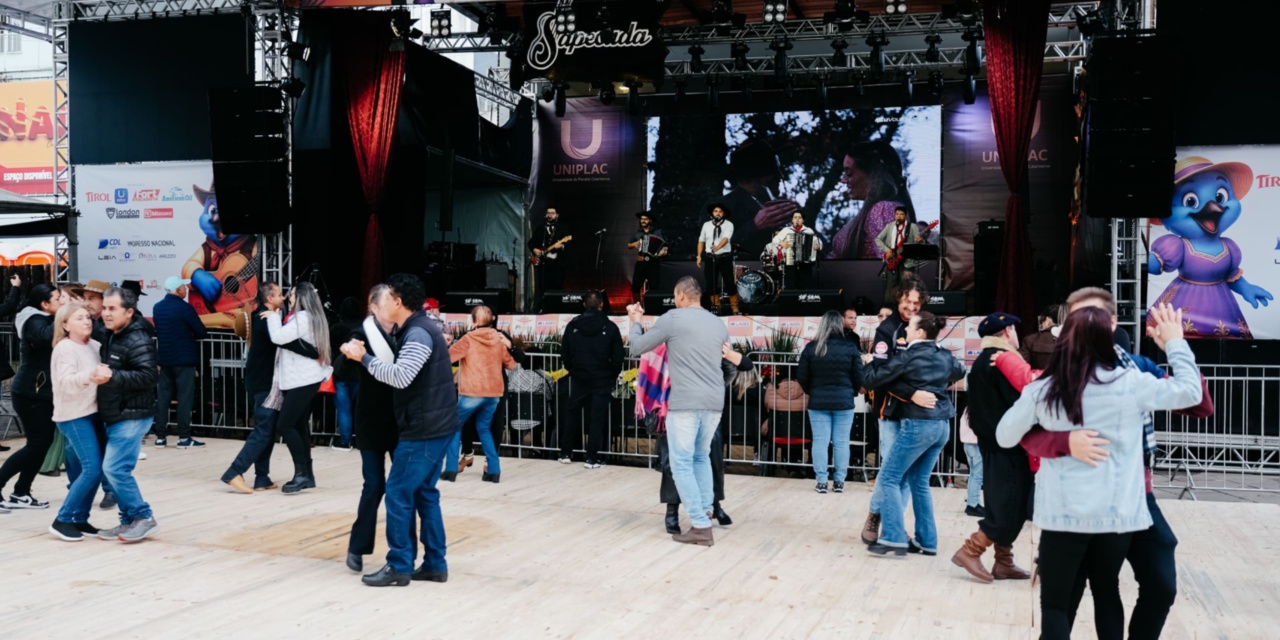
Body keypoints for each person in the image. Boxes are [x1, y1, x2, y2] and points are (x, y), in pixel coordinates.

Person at [996, 303, 1201, 640]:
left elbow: (1005, 436)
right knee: (1107, 592)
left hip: (1062, 515)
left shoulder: (1044, 389)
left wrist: (1057, 439)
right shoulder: (1132, 383)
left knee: (1056, 607)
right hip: (1116, 516)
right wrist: (1176, 343)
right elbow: (1192, 393)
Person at [341, 273, 455, 587]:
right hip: (435, 425)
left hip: (424, 428)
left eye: (387, 296)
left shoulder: (417, 332)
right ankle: (434, 563)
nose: (382, 301)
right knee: (425, 495)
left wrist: (361, 357)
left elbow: (401, 376)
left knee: (397, 492)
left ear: (398, 302)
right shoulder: (420, 328)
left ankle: (399, 565)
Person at [627, 277, 728, 546]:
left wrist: (635, 321)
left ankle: (700, 524)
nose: (674, 300)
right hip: (715, 401)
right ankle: (706, 509)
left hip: (685, 402)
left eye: (674, 296)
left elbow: (638, 348)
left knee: (681, 463)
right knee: (700, 457)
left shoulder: (673, 318)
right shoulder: (718, 323)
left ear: (681, 295)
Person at [862, 311, 966, 556]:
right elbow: (959, 372)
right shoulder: (944, 355)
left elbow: (873, 380)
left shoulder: (907, 357)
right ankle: (926, 541)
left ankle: (894, 536)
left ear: (920, 332)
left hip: (918, 425)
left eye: (909, 327)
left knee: (888, 479)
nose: (905, 330)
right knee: (919, 483)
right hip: (942, 425)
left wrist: (867, 363)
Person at [950, 312, 1033, 583]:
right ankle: (970, 550)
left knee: (1007, 499)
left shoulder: (982, 361)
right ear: (1008, 331)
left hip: (993, 442)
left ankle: (1003, 561)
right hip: (1009, 444)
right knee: (1009, 502)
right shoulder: (1003, 361)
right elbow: (1020, 403)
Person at [860, 276, 932, 545]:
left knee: (907, 472)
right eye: (906, 301)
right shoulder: (886, 330)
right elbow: (881, 374)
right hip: (890, 412)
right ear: (898, 299)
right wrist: (911, 391)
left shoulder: (925, 325)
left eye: (916, 302)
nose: (911, 307)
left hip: (918, 415)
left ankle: (894, 525)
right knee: (892, 470)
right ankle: (875, 515)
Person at [659, 342, 748, 533]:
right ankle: (672, 510)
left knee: (710, 460)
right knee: (674, 462)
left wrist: (715, 388)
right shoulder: (673, 338)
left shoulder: (712, 341)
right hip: (675, 407)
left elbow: (732, 368)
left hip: (704, 408)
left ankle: (713, 505)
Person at [95, 286, 160, 542]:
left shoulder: (138, 338)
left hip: (132, 414)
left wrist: (112, 376)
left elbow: (149, 376)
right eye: (104, 308)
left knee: (115, 469)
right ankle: (127, 522)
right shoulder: (112, 334)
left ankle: (143, 517)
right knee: (114, 469)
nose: (106, 314)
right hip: (116, 412)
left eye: (112, 309)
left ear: (129, 312)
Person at [343, 285, 400, 573]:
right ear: (374, 307)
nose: (396, 303)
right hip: (371, 420)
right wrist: (350, 351)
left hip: (402, 422)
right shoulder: (362, 334)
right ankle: (357, 546)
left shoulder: (406, 331)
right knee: (374, 485)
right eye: (390, 300)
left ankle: (402, 552)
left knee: (402, 488)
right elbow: (345, 363)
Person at [220, 282, 292, 494]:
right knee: (263, 429)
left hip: (260, 380)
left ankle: (262, 476)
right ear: (269, 298)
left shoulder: (261, 316)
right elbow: (282, 342)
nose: (283, 298)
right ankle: (234, 471)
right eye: (279, 294)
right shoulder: (267, 318)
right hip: (265, 382)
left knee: (267, 430)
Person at [47, 302, 112, 540]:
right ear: (65, 325)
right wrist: (91, 376)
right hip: (73, 415)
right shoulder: (65, 349)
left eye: (87, 317)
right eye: (79, 318)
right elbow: (64, 382)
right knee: (92, 468)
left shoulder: (95, 346)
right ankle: (63, 519)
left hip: (92, 413)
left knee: (88, 469)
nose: (86, 321)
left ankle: (80, 519)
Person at [263, 281, 333, 494]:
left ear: (300, 297)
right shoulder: (309, 318)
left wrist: (273, 316)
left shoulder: (302, 318)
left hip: (302, 378)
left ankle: (301, 474)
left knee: (285, 424)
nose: (288, 298)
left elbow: (278, 337)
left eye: (291, 294)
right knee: (299, 425)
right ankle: (307, 474)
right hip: (302, 378)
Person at [0, 284, 63, 511]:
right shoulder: (34, 321)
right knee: (36, 445)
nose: (62, 302)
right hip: (30, 392)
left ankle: (21, 492)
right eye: (58, 298)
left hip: (42, 391)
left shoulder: (45, 318)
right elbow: (45, 337)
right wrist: (67, 318)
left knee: (41, 445)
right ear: (44, 304)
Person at [443, 305, 516, 483]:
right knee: (484, 428)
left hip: (472, 393)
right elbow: (511, 364)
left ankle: (451, 469)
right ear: (491, 320)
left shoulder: (468, 339)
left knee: (454, 427)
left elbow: (447, 358)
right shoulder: (499, 340)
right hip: (494, 393)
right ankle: (493, 470)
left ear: (474, 321)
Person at [797, 311, 864, 494]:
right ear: (840, 324)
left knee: (820, 441)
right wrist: (852, 391)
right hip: (844, 401)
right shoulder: (850, 348)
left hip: (818, 402)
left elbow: (801, 376)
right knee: (841, 442)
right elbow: (859, 376)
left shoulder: (812, 348)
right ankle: (839, 482)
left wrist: (812, 391)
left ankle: (821, 481)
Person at [558, 291, 624, 468]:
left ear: (584, 305)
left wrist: (573, 369)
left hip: (579, 376)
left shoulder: (573, 326)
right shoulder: (610, 327)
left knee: (572, 414)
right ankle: (591, 458)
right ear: (601, 305)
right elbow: (618, 356)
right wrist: (611, 374)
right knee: (597, 418)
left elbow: (565, 352)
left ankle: (565, 453)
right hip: (602, 378)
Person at [702, 139, 800, 256]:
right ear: (755, 172)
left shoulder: (773, 205)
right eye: (773, 170)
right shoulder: (720, 207)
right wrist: (754, 226)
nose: (781, 175)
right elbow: (710, 251)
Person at [827, 140, 917, 260]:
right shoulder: (884, 209)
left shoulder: (883, 209)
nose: (843, 180)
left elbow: (892, 267)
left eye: (849, 173)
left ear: (872, 174)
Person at [151, 276, 208, 449]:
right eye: (183, 287)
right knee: (185, 398)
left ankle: (160, 436)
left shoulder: (158, 308)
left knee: (163, 398)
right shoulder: (185, 308)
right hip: (184, 360)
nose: (186, 289)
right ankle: (184, 437)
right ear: (177, 290)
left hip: (165, 358)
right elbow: (201, 332)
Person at [330, 297, 364, 451]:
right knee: (358, 408)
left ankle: (345, 440)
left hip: (340, 372)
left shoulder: (337, 328)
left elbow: (330, 349)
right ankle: (360, 439)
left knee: (343, 408)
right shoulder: (363, 328)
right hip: (359, 373)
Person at [875, 207, 922, 304]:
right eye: (897, 214)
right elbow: (878, 239)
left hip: (907, 263)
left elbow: (919, 243)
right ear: (894, 215)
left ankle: (906, 308)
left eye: (901, 214)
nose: (899, 216)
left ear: (905, 216)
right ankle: (889, 310)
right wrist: (886, 250)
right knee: (890, 288)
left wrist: (920, 241)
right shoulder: (889, 226)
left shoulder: (912, 227)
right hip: (892, 261)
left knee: (906, 287)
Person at [528, 207, 572, 310]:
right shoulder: (540, 228)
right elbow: (531, 242)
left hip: (557, 264)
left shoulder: (563, 228)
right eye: (548, 213)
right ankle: (543, 308)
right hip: (544, 263)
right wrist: (534, 249)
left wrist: (561, 246)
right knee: (542, 287)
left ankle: (556, 309)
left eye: (552, 213)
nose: (550, 215)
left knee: (557, 287)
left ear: (557, 215)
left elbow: (568, 243)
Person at [696, 203, 737, 313]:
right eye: (716, 211)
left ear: (723, 214)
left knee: (729, 282)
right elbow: (701, 241)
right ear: (712, 213)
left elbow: (726, 238)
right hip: (710, 258)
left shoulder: (729, 224)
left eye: (720, 211)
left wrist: (718, 247)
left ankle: (734, 307)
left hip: (724, 257)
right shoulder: (706, 225)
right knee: (710, 283)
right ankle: (716, 307)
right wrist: (699, 256)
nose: (718, 213)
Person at [767, 212, 822, 289]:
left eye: (799, 217)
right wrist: (781, 243)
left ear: (803, 220)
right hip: (790, 261)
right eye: (795, 217)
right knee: (791, 284)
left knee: (806, 285)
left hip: (805, 263)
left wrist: (818, 246)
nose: (797, 219)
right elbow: (774, 240)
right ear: (792, 220)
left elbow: (817, 241)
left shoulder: (808, 231)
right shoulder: (786, 230)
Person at [627, 212, 668, 303]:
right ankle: (637, 306)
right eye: (641, 219)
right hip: (641, 263)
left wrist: (663, 251)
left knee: (654, 287)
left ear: (650, 220)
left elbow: (664, 246)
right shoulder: (637, 233)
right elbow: (628, 245)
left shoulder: (657, 232)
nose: (643, 221)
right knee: (635, 286)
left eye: (645, 219)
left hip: (653, 263)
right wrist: (634, 244)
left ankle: (652, 307)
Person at [1019, 304, 1061, 370]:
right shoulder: (1075, 339)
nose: (1041, 325)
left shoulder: (1030, 340)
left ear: (1048, 320)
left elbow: (1020, 366)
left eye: (1041, 321)